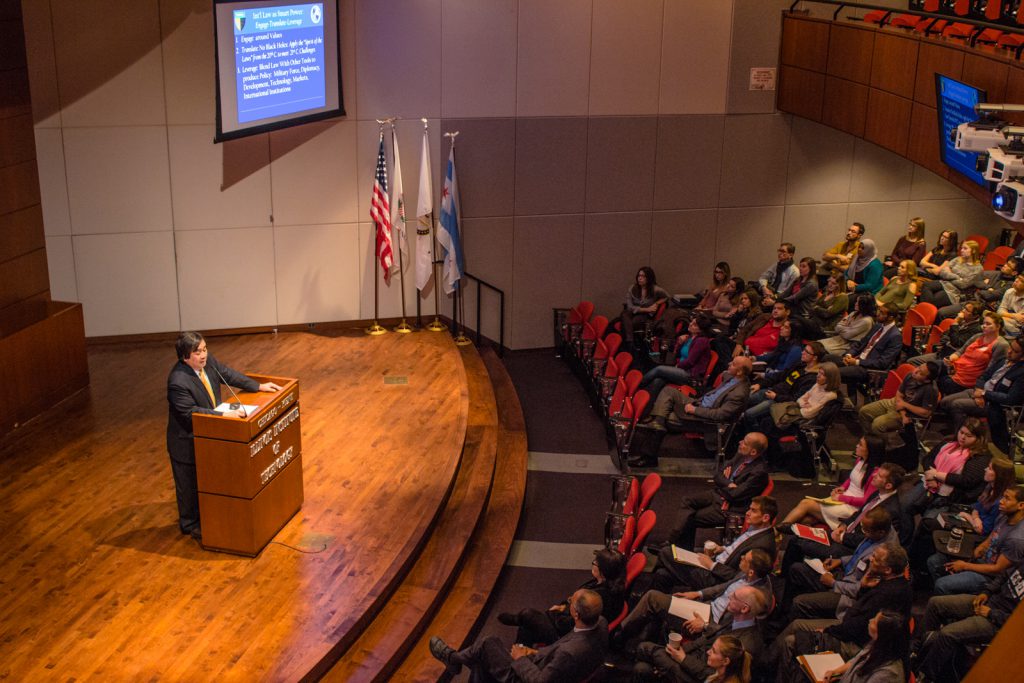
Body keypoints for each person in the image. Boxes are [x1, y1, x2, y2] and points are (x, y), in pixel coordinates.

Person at [166, 331, 281, 541]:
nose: (203, 355)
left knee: (210, 480)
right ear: (185, 356)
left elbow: (227, 374)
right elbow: (190, 414)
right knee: (189, 487)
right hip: (187, 442)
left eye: (205, 349)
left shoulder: (208, 364)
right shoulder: (178, 382)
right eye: (197, 352)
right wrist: (223, 414)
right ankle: (192, 526)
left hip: (211, 435)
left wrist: (257, 386)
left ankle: (213, 517)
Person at [772, 544, 912, 683]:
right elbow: (862, 612)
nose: (870, 558)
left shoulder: (890, 594)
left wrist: (827, 630)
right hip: (853, 630)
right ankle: (770, 660)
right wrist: (863, 588)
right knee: (797, 624)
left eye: (875, 559)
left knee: (792, 640)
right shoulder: (890, 582)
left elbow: (858, 627)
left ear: (888, 569)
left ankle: (765, 665)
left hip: (856, 642)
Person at [429, 589, 607, 682]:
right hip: (545, 664)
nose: (568, 602)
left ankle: (452, 658)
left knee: (488, 643)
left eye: (570, 602)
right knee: (483, 660)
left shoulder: (569, 653)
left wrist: (521, 658)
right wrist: (533, 653)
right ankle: (454, 660)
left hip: (527, 677)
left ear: (575, 613)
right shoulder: (601, 623)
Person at [616, 550, 773, 647]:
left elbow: (735, 634)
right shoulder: (746, 574)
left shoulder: (756, 599)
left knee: (652, 599)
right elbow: (723, 588)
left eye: (745, 558)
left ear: (752, 572)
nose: (742, 557)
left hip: (710, 621)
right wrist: (698, 593)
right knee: (661, 584)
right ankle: (644, 638)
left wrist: (705, 625)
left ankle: (619, 637)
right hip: (706, 606)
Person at [778, 464, 912, 574]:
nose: (873, 476)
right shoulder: (878, 493)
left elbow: (870, 540)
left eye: (879, 476)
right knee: (800, 534)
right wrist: (843, 525)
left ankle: (786, 577)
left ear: (888, 485)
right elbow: (857, 514)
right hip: (845, 534)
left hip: (851, 548)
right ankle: (783, 534)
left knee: (797, 542)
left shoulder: (890, 511)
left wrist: (842, 537)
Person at [912, 558, 1024, 683]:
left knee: (947, 634)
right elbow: (1003, 576)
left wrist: (991, 613)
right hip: (989, 602)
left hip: (998, 623)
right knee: (935, 603)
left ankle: (926, 676)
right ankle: (915, 649)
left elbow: (1019, 626)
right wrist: (986, 592)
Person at [660, 433, 770, 551]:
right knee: (687, 500)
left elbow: (735, 495)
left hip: (730, 507)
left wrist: (725, 482)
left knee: (689, 518)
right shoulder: (741, 455)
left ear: (753, 452)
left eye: (745, 443)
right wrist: (728, 483)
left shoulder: (759, 472)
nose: (740, 442)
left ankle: (676, 548)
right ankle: (673, 541)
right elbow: (717, 475)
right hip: (719, 494)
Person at [781, 507, 899, 619]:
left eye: (866, 530)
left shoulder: (880, 557)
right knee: (796, 568)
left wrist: (833, 583)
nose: (863, 533)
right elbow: (859, 556)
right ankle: (785, 613)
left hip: (846, 595)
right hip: (844, 575)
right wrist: (840, 560)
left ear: (880, 533)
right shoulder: (881, 532)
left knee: (799, 601)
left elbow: (861, 590)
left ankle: (788, 620)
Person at [498, 548, 626, 646]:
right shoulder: (607, 583)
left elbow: (572, 624)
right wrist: (564, 607)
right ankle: (519, 655)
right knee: (526, 628)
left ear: (603, 570)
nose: (593, 564)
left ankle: (518, 623)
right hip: (570, 621)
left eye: (596, 563)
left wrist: (560, 612)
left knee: (528, 615)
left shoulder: (598, 598)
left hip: (568, 637)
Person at [631, 590, 766, 683]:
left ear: (745, 609)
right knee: (642, 668)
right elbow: (707, 641)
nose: (729, 595)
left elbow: (713, 676)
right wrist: (679, 654)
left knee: (645, 648)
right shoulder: (734, 617)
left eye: (735, 596)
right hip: (695, 660)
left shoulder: (749, 644)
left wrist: (683, 659)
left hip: (698, 675)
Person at [651, 496, 778, 593]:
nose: (747, 513)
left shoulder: (763, 546)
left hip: (716, 579)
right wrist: (722, 549)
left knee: (666, 552)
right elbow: (738, 547)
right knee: (662, 574)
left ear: (765, 518)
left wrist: (711, 565)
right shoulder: (755, 529)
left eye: (753, 511)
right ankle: (653, 620)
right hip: (714, 564)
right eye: (749, 509)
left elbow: (739, 577)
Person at [926, 484, 1024, 596]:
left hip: (988, 578)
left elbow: (997, 570)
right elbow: (990, 539)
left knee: (941, 585)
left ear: (1021, 505)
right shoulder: (1004, 516)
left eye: (1007, 498)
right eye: (1003, 497)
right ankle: (952, 595)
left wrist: (965, 566)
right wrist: (972, 557)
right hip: (980, 562)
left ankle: (950, 604)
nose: (1001, 501)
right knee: (934, 562)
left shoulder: (1016, 539)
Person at [937, 336, 1024, 454]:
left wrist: (985, 394)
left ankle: (962, 441)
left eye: (1015, 351)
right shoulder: (1003, 359)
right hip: (978, 392)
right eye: (1010, 348)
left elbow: (1010, 399)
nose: (1009, 351)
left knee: (957, 405)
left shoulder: (1021, 372)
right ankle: (965, 433)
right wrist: (979, 390)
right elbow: (984, 376)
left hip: (994, 405)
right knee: (945, 401)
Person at [779, 434, 883, 530]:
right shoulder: (860, 460)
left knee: (805, 504)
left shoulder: (876, 474)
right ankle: (785, 532)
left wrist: (841, 497)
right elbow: (851, 479)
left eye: (860, 445)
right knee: (807, 518)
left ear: (870, 450)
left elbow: (866, 501)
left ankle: (777, 530)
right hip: (844, 499)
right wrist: (842, 487)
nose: (856, 446)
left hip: (852, 508)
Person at [907, 418, 992, 517]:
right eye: (961, 432)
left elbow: (966, 480)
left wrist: (936, 475)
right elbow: (928, 458)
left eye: (969, 436)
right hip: (928, 482)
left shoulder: (981, 457)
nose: (963, 437)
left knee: (928, 522)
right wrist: (931, 477)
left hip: (950, 497)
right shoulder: (949, 442)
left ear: (979, 439)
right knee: (905, 507)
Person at [857, 361, 939, 447]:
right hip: (896, 403)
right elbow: (899, 394)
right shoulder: (910, 375)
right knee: (864, 412)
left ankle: (878, 449)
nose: (916, 371)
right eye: (918, 367)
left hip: (910, 414)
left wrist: (904, 406)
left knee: (877, 425)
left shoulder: (931, 390)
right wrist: (903, 409)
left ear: (927, 380)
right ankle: (870, 442)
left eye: (920, 373)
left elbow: (925, 413)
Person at [742, 341, 825, 425]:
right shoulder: (801, 365)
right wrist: (760, 385)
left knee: (749, 414)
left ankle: (754, 432)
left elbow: (796, 399)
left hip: (779, 402)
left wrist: (776, 397)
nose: (802, 352)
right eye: (804, 350)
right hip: (771, 391)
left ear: (815, 358)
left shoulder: (813, 378)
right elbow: (780, 375)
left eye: (807, 352)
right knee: (742, 398)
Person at [834, 304, 902, 402]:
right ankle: (849, 400)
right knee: (827, 360)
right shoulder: (877, 326)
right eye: (879, 310)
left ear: (891, 317)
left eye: (882, 313)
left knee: (832, 372)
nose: (877, 314)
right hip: (855, 359)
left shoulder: (895, 337)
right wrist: (849, 354)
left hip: (868, 369)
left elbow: (882, 363)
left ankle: (837, 402)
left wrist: (857, 362)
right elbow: (861, 343)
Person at [639, 315, 715, 398]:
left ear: (700, 330)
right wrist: (680, 342)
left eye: (694, 324)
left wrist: (678, 366)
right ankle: (645, 400)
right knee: (659, 380)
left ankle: (637, 385)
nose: (690, 324)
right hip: (682, 369)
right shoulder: (689, 337)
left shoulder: (701, 341)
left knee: (659, 369)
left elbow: (690, 361)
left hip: (691, 376)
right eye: (691, 322)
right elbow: (678, 354)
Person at [936, 311, 1009, 396]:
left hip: (969, 378)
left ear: (998, 327)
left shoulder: (1001, 345)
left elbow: (991, 369)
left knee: (938, 380)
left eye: (988, 324)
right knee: (933, 367)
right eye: (984, 323)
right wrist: (950, 358)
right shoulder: (978, 336)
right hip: (956, 368)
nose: (984, 326)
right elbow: (960, 351)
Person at [822, 611, 908, 683]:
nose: (870, 620)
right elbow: (857, 660)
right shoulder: (877, 645)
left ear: (882, 635)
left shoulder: (887, 674)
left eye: (874, 622)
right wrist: (836, 672)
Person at [918, 239, 984, 319]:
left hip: (955, 292)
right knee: (926, 285)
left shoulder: (977, 268)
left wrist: (950, 273)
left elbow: (963, 285)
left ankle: (924, 316)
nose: (962, 250)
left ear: (973, 251)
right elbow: (942, 272)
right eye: (962, 248)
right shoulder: (957, 259)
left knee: (934, 299)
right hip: (945, 283)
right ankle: (925, 315)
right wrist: (957, 277)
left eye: (965, 248)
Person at [906, 300, 983, 366]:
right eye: (964, 308)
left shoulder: (976, 330)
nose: (962, 311)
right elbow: (945, 334)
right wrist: (947, 339)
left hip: (949, 359)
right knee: (911, 361)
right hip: (942, 352)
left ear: (975, 316)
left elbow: (956, 342)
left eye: (966, 310)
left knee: (913, 362)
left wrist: (955, 322)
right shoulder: (963, 321)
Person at [618, 266, 670, 348]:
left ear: (649, 278)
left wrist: (656, 303)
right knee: (624, 314)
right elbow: (630, 307)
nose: (640, 278)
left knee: (631, 322)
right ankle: (630, 342)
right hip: (633, 311)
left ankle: (628, 344)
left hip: (644, 315)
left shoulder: (655, 289)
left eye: (643, 276)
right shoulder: (632, 288)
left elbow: (667, 297)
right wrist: (647, 309)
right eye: (639, 276)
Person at [996, 272, 1024, 338]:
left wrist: (1002, 316)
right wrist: (1014, 315)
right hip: (1007, 323)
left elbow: (1020, 322)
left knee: (994, 322)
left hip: (1017, 330)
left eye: (1021, 280)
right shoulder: (1009, 291)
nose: (1016, 280)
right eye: (1018, 278)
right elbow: (1000, 311)